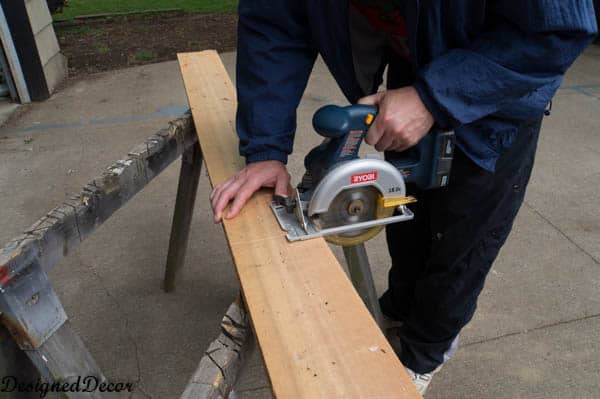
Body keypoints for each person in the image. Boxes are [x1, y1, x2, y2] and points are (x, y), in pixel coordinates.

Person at [210, 0, 598, 394]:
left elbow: (557, 29)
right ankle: (399, 308)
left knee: (465, 242)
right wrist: (265, 149)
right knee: (406, 222)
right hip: (412, 66)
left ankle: (423, 354)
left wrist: (433, 96)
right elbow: (276, 19)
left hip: (498, 82)